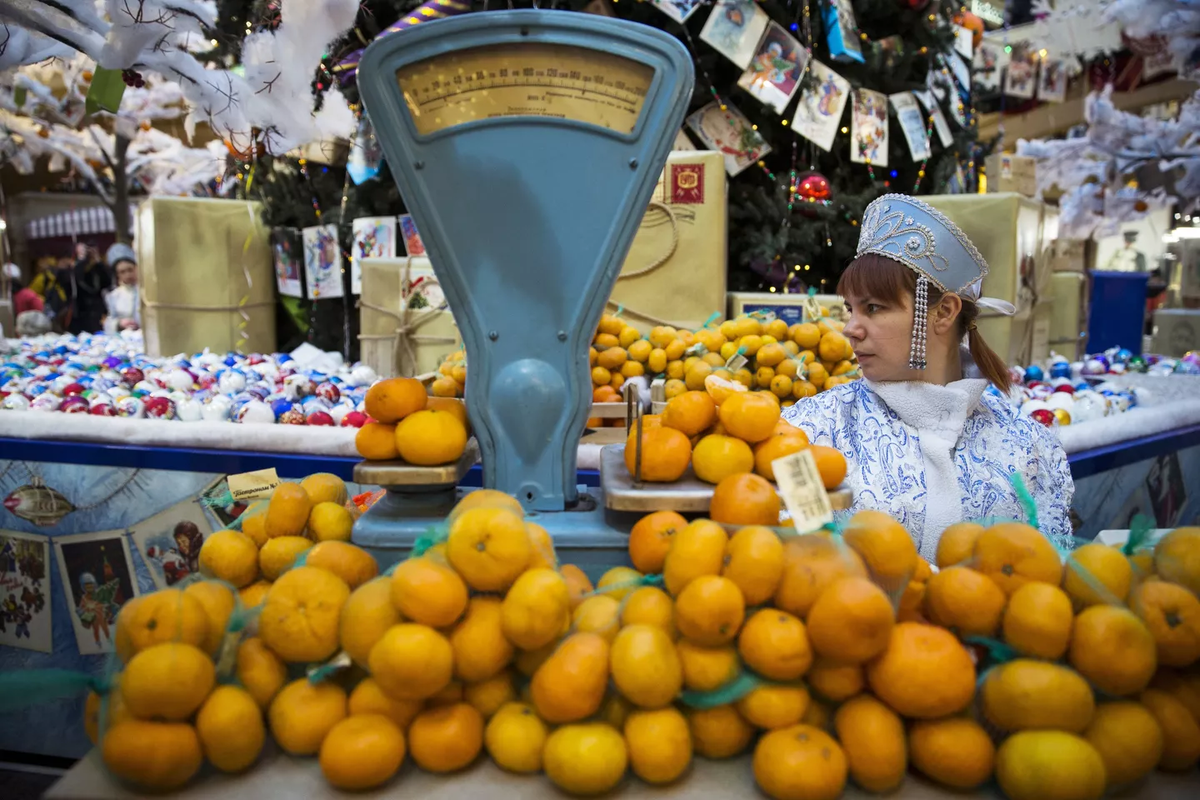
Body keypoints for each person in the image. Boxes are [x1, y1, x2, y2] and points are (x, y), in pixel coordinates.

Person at [783, 195, 1074, 559]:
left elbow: (1048, 575)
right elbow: (793, 562)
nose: (850, 328)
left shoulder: (1028, 445)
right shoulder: (809, 431)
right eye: (850, 309)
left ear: (944, 311)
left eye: (873, 308)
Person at [67, 242, 111, 334]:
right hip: (82, 310)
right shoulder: (75, 268)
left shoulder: (97, 267)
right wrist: (81, 260)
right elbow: (75, 280)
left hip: (98, 308)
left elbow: (107, 282)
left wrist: (98, 261)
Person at [104, 243, 140, 334]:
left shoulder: (148, 292)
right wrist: (119, 324)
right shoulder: (114, 296)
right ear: (117, 275)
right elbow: (108, 322)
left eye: (130, 270)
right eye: (122, 272)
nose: (128, 275)